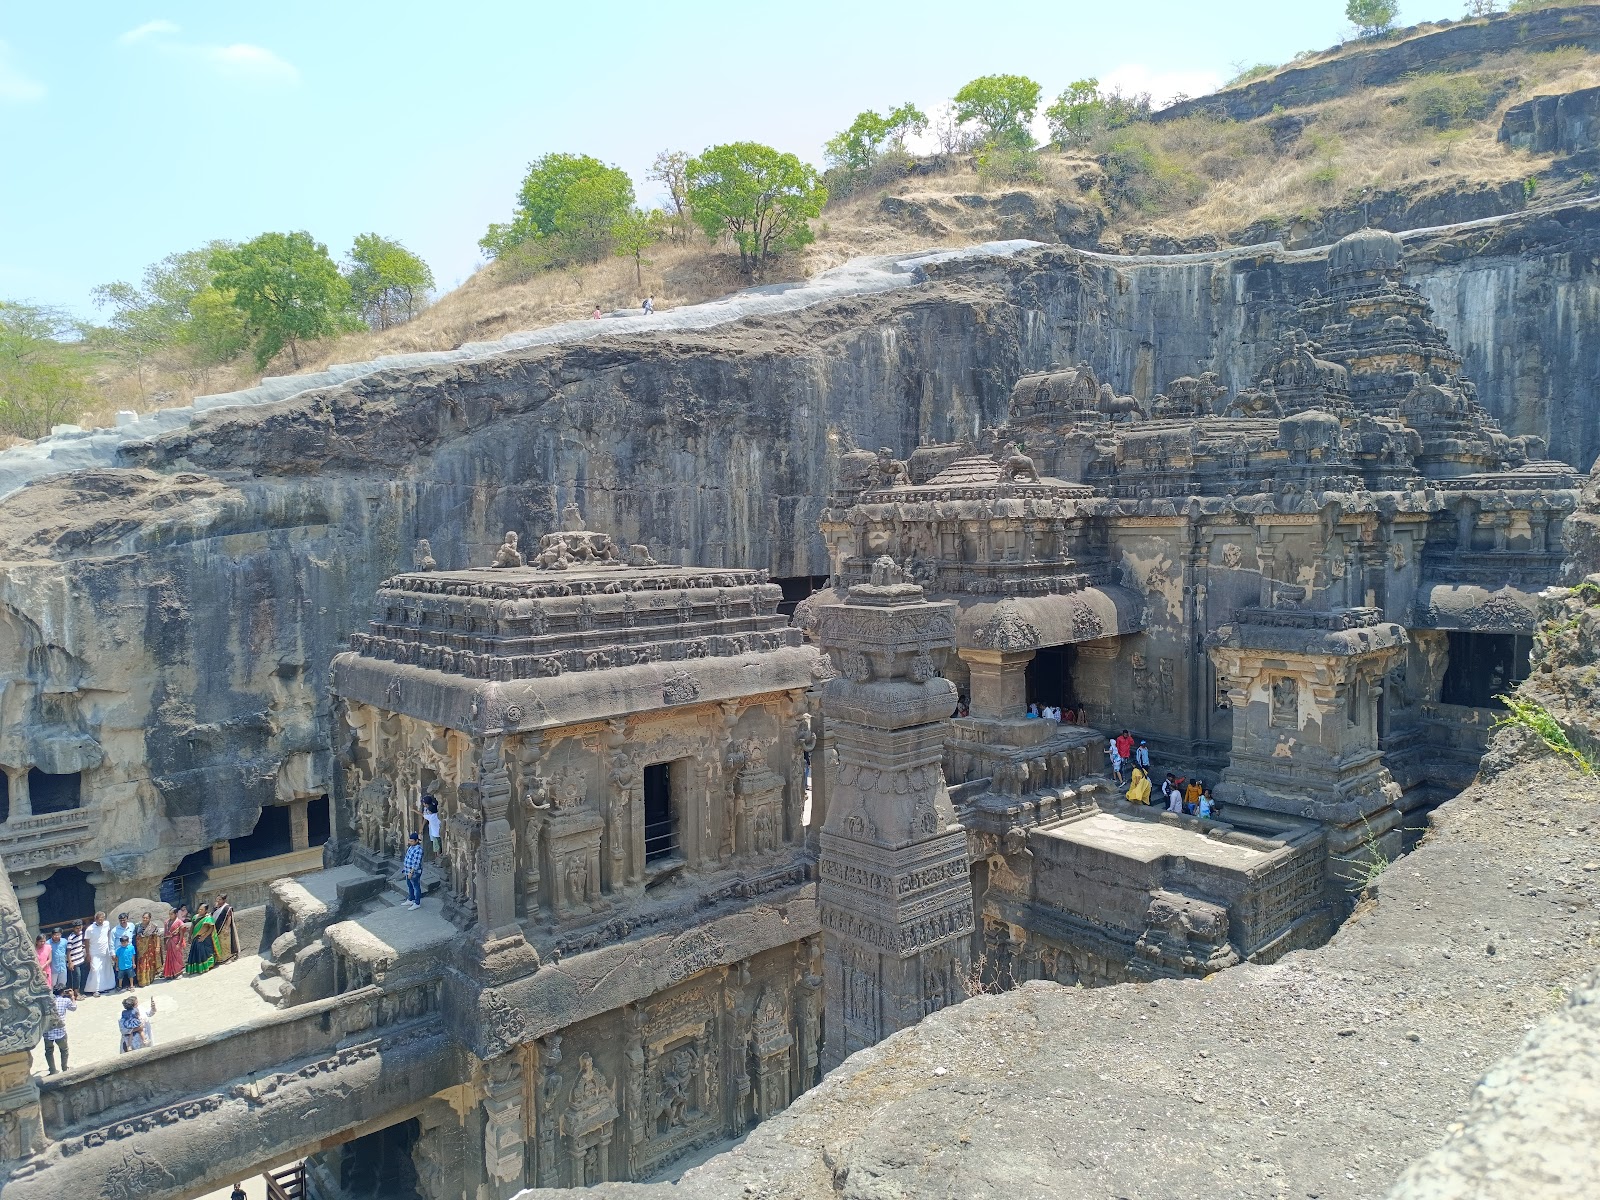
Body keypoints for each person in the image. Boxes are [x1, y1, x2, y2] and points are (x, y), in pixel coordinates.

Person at [43, 985, 74, 1074]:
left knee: (48, 1051)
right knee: (64, 1050)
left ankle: (52, 1070)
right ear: (63, 992)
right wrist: (72, 997)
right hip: (60, 1030)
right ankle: (64, 1068)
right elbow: (74, 1008)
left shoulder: (47, 1001)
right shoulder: (65, 1000)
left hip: (47, 1031)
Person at [86, 912, 115, 996]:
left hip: (105, 951)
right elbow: (87, 941)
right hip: (94, 952)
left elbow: (108, 932)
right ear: (95, 919)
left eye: (102, 919)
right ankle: (95, 989)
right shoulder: (90, 929)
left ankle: (105, 987)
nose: (101, 921)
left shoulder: (107, 924)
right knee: (95, 970)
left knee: (105, 969)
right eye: (99, 920)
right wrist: (88, 954)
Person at [186, 903, 218, 976]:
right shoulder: (195, 917)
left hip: (205, 938)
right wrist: (189, 936)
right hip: (196, 938)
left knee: (205, 953)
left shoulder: (208, 918)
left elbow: (211, 928)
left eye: (202, 909)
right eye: (199, 909)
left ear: (206, 911)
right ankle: (197, 968)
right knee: (196, 953)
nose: (200, 910)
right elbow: (192, 927)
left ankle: (207, 966)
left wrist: (204, 937)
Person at [134, 912, 162, 986]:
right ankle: (142, 980)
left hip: (150, 948)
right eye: (144, 917)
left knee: (150, 963)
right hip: (140, 949)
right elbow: (135, 936)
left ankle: (150, 978)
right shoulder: (137, 926)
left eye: (146, 918)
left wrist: (158, 947)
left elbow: (158, 936)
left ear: (150, 918)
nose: (145, 919)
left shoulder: (153, 926)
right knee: (142, 963)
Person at [163, 907, 190, 981]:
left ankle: (179, 972)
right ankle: (170, 973)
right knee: (169, 957)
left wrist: (179, 943)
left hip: (176, 940)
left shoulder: (179, 922)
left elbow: (181, 934)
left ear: (175, 914)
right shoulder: (167, 922)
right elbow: (165, 934)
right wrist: (165, 943)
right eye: (169, 914)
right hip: (169, 941)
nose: (170, 915)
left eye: (172, 914)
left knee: (177, 957)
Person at [403, 831, 425, 909]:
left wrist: (411, 872)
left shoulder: (419, 849)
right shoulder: (411, 847)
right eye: (409, 841)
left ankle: (417, 902)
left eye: (412, 841)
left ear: (416, 841)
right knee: (409, 885)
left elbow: (416, 863)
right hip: (407, 870)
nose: (410, 842)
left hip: (414, 872)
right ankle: (411, 899)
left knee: (416, 886)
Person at [213, 894, 236, 964]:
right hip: (217, 928)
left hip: (224, 927)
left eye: (219, 899)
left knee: (226, 943)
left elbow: (229, 917)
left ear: (224, 900)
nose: (218, 901)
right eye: (217, 899)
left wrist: (226, 928)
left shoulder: (226, 908)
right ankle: (221, 958)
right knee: (220, 943)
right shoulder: (217, 908)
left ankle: (229, 957)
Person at [65, 922, 88, 994]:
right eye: (77, 928)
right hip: (74, 961)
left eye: (80, 927)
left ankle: (82, 991)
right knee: (77, 977)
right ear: (73, 928)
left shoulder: (81, 933)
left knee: (83, 976)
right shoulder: (71, 938)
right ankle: (76, 994)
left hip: (81, 958)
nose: (78, 929)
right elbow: (68, 951)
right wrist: (70, 962)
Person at [114, 926, 137, 991]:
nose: (124, 944)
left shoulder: (131, 948)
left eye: (125, 942)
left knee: (131, 976)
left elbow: (133, 956)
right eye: (122, 942)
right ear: (120, 942)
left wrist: (134, 963)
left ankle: (132, 985)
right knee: (120, 977)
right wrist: (117, 966)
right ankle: (120, 986)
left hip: (129, 965)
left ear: (128, 942)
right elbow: (117, 958)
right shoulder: (118, 950)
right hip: (121, 966)